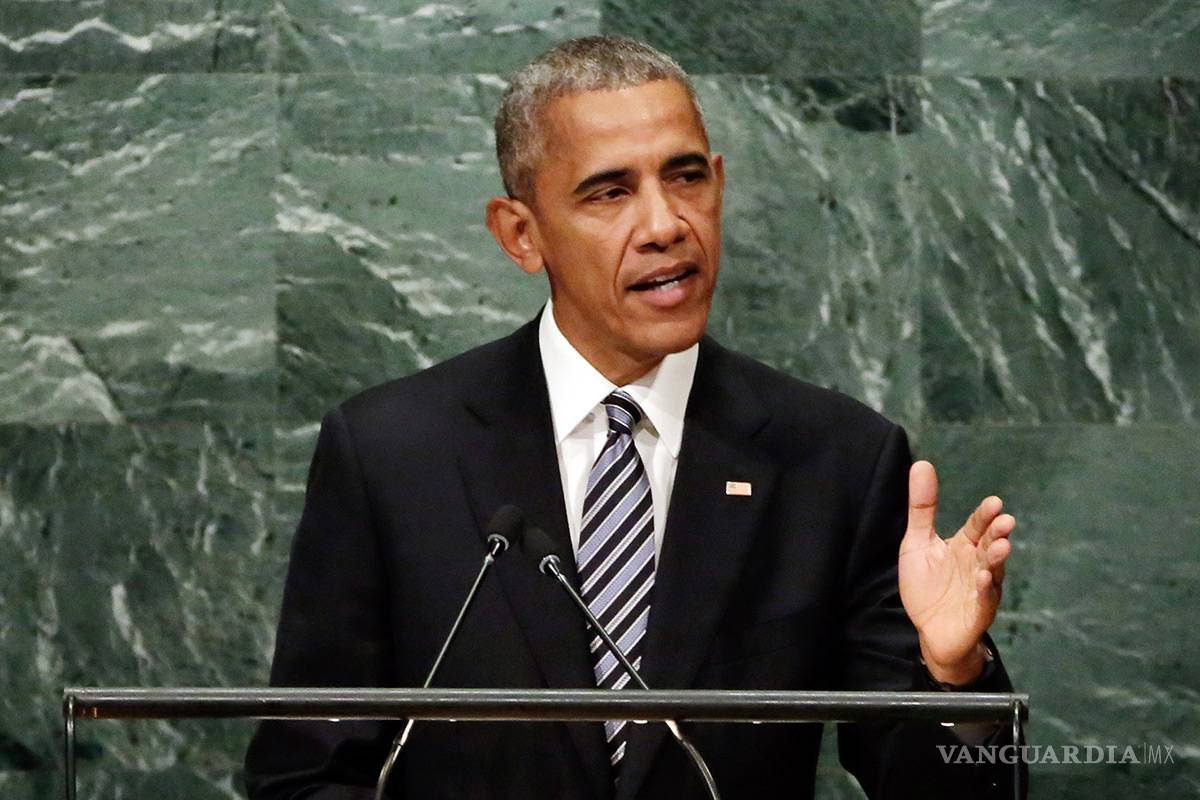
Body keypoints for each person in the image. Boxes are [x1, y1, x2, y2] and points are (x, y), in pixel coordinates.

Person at [245, 36, 1023, 799]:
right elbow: (307, 772)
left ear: (718, 183)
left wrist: (954, 675)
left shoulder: (834, 460)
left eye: (686, 178)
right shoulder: (391, 452)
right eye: (610, 192)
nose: (664, 224)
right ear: (522, 234)